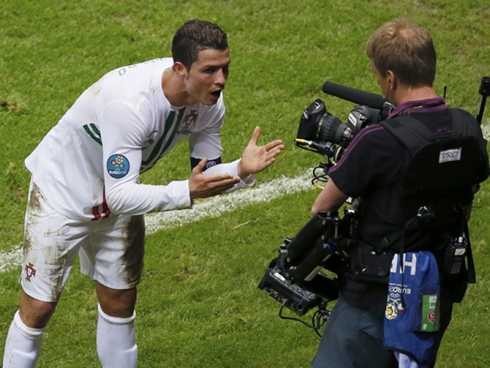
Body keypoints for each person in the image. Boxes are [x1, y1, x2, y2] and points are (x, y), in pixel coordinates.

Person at [2, 19, 284, 368]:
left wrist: (240, 170)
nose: (221, 80)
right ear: (180, 69)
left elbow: (205, 176)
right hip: (62, 194)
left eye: (225, 68)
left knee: (121, 301)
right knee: (39, 308)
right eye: (210, 70)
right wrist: (185, 191)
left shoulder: (210, 104)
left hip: (120, 196)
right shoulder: (130, 106)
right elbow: (124, 195)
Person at [310, 19, 489, 368]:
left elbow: (322, 207)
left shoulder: (379, 140)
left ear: (390, 78)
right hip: (434, 292)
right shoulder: (467, 126)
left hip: (374, 300)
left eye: (378, 75)